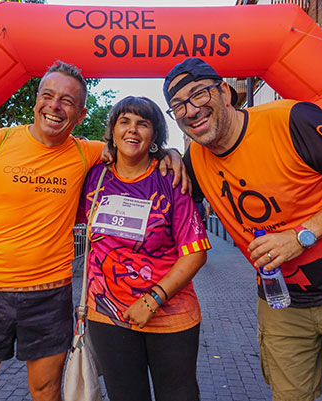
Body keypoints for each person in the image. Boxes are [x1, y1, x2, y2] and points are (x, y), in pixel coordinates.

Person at [0, 61, 186, 401]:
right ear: (36, 100)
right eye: (48, 96)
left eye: (67, 101)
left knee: (47, 391)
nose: (55, 106)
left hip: (50, 295)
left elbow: (132, 148)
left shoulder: (87, 153)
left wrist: (170, 153)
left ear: (81, 115)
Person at [163, 58, 322, 401]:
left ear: (224, 91)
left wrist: (300, 236)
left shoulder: (292, 119)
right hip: (280, 299)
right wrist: (167, 153)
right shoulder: (194, 160)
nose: (191, 110)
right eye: (178, 106)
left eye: (198, 94)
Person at [78, 96, 210, 401]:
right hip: (108, 315)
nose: (132, 130)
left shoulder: (170, 179)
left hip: (169, 314)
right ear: (112, 130)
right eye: (124, 122)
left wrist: (151, 300)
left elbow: (196, 252)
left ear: (155, 135)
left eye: (143, 124)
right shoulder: (94, 177)